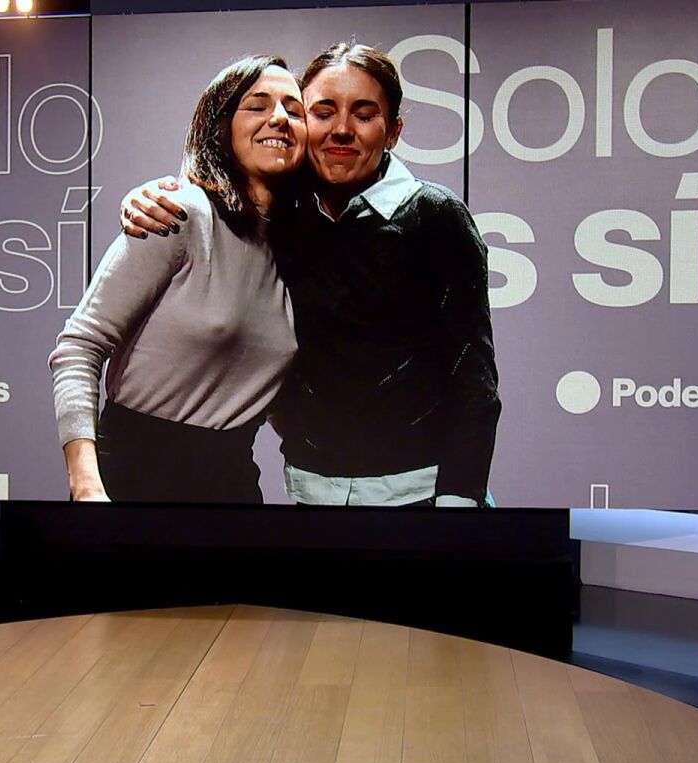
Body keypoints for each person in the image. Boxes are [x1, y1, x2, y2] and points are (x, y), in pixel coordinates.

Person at [123, 43, 501, 507]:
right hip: (311, 496)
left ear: (393, 131)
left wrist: (458, 509)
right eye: (322, 112)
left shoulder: (435, 215)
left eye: (364, 114)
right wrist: (146, 197)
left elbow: (473, 378)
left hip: (419, 499)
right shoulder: (283, 213)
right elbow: (215, 186)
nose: (341, 129)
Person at [49, 55, 305, 504]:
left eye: (294, 109)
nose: (279, 118)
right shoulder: (178, 213)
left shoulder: (301, 248)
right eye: (257, 105)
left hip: (231, 488)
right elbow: (79, 347)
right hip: (132, 480)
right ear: (220, 125)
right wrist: (86, 486)